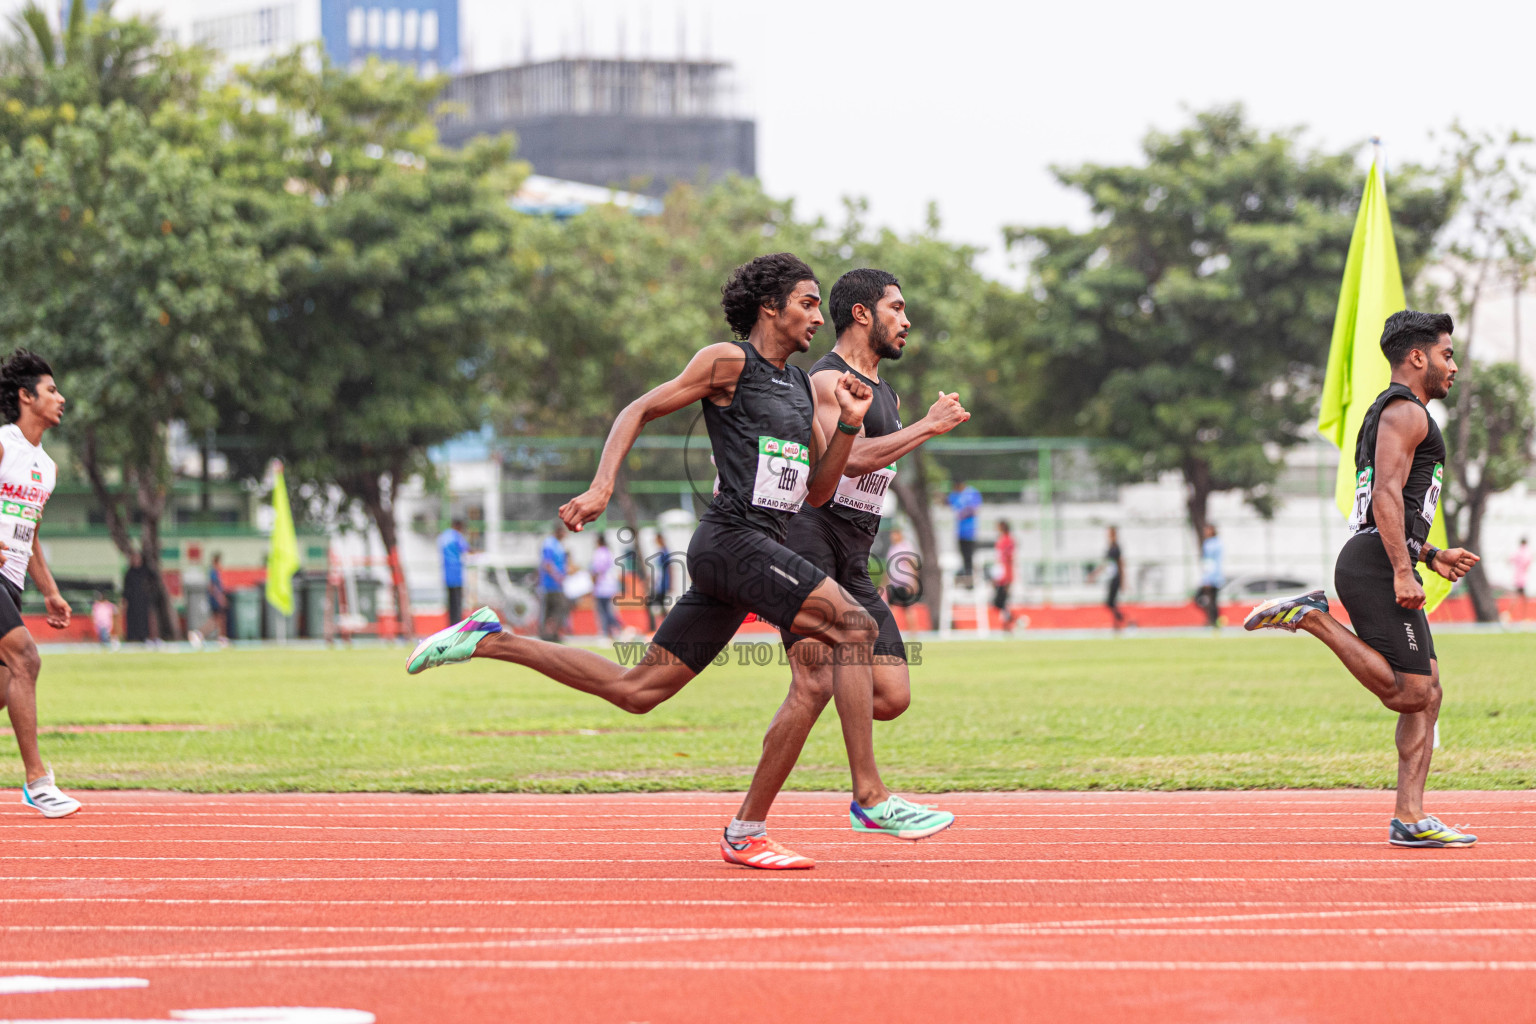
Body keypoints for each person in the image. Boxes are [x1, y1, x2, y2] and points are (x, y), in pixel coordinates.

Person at [408, 252, 883, 870]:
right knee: (855, 626)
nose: (818, 317)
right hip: (731, 541)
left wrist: (847, 426)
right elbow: (637, 410)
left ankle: (491, 639)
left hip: (757, 547)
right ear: (771, 306)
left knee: (638, 690)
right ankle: (868, 794)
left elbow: (818, 492)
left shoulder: (798, 386)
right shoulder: (727, 362)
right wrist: (602, 486)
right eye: (808, 302)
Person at [733, 268, 972, 861]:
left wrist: (914, 425)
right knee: (813, 682)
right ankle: (847, 804)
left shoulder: (884, 394)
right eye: (897, 308)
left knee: (889, 694)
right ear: (862, 314)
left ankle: (785, 816)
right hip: (806, 543)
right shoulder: (822, 381)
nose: (907, 321)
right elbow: (850, 461)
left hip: (853, 559)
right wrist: (928, 426)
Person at [1246, 310, 1480, 848]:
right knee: (1410, 692)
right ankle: (1312, 618)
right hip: (1376, 563)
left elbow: (1387, 506)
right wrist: (1403, 568)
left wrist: (1430, 552)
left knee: (1431, 691)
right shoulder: (1406, 413)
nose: (1454, 366)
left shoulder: (1392, 414)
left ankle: (1411, 817)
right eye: (1447, 355)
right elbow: (1385, 497)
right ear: (1417, 357)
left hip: (1381, 553)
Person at [0, 350, 78, 817]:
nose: (61, 398)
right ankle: (36, 782)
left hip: (10, 582)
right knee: (26, 658)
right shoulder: (4, 444)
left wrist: (49, 590)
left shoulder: (46, 468)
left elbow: (29, 532)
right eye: (51, 390)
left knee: (8, 680)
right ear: (26, 397)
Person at [537, 521, 570, 643]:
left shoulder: (559, 545)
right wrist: (557, 576)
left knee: (559, 609)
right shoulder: (549, 544)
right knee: (548, 610)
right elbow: (547, 563)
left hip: (557, 586)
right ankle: (545, 635)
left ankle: (554, 633)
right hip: (548, 584)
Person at [947, 480, 982, 584]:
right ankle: (965, 576)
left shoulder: (972, 493)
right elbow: (948, 503)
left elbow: (975, 509)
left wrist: (964, 513)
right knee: (962, 555)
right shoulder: (955, 494)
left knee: (969, 555)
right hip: (960, 531)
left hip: (970, 532)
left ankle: (970, 578)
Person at [437, 518, 470, 627]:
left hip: (447, 573)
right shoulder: (456, 536)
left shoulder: (443, 536)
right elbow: (465, 549)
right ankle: (457, 625)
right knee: (457, 603)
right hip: (456, 573)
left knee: (450, 602)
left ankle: (451, 625)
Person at [590, 532, 621, 639]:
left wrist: (593, 584)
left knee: (603, 611)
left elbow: (597, 570)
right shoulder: (609, 552)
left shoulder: (599, 553)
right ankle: (614, 630)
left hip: (601, 586)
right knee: (609, 610)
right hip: (610, 585)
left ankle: (607, 631)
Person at [122, 549, 154, 643]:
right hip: (132, 601)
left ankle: (143, 636)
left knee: (143, 620)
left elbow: (153, 584)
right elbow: (126, 587)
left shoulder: (146, 572)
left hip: (143, 600)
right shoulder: (129, 573)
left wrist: (149, 594)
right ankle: (132, 637)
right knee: (132, 619)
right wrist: (125, 599)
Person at [1195, 524, 1223, 628]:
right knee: (1205, 600)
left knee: (1212, 600)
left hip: (1213, 578)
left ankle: (1214, 621)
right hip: (1209, 576)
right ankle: (1212, 619)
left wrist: (1208, 579)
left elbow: (1214, 563)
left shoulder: (1214, 544)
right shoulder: (1208, 543)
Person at [884, 527, 919, 608]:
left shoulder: (906, 546)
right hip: (893, 583)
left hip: (904, 583)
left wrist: (913, 582)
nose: (891, 536)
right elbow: (889, 568)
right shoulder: (892, 548)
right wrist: (885, 583)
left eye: (894, 534)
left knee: (908, 608)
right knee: (891, 607)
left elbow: (912, 564)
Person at [992, 519, 1017, 631]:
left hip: (1005, 576)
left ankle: (1011, 621)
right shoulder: (1001, 540)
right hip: (1001, 574)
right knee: (1001, 603)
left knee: (1001, 601)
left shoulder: (1008, 540)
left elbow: (1008, 560)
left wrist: (1007, 577)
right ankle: (1010, 620)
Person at [645, 529, 671, 631]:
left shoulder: (665, 552)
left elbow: (668, 569)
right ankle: (666, 627)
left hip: (662, 584)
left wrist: (669, 584)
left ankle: (655, 627)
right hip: (658, 584)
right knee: (660, 605)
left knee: (652, 603)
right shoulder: (660, 551)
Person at [1101, 526, 1125, 630]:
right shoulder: (1110, 547)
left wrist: (1123, 580)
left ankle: (1117, 623)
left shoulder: (1116, 547)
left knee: (1113, 601)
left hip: (1116, 577)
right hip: (1110, 577)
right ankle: (1120, 619)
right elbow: (1106, 564)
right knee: (1110, 603)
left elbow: (1120, 564)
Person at [206, 552, 228, 645]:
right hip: (215, 599)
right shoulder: (214, 572)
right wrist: (220, 598)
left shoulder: (214, 572)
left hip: (214, 598)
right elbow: (213, 587)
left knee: (218, 619)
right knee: (219, 619)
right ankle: (221, 638)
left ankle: (221, 638)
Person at [1511, 537, 1530, 621]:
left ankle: (1509, 614)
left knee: (1517, 597)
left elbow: (1510, 560)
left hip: (1517, 578)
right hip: (1522, 579)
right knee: (1524, 600)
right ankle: (1523, 617)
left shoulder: (1517, 552)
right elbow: (1527, 563)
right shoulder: (1525, 552)